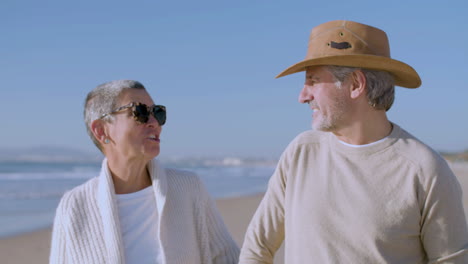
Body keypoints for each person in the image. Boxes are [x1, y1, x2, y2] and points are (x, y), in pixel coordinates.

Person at [239, 20, 468, 263]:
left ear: (356, 84)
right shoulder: (301, 152)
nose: (302, 96)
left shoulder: (424, 169)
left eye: (313, 81)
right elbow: (257, 248)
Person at [50, 80, 239, 264]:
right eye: (139, 112)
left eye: (158, 113)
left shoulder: (188, 187)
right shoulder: (74, 206)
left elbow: (228, 257)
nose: (154, 123)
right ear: (101, 131)